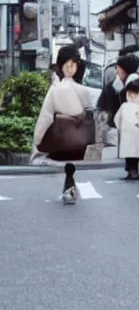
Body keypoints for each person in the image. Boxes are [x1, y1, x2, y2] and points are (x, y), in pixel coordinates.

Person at [31, 46, 93, 202]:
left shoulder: (55, 90)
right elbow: (91, 114)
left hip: (61, 138)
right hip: (80, 139)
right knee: (71, 164)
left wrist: (37, 140)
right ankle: (70, 186)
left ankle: (69, 188)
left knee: (64, 162)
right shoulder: (84, 91)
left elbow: (45, 117)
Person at [97, 53, 139, 180]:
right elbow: (104, 102)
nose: (116, 70)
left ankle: (133, 169)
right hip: (122, 119)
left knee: (132, 142)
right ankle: (131, 168)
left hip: (134, 119)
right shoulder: (115, 85)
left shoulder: (137, 84)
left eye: (118, 67)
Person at [113, 75, 139, 181]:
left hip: (126, 135)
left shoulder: (124, 106)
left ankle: (131, 171)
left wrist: (121, 129)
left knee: (129, 156)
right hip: (138, 134)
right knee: (135, 155)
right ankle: (134, 171)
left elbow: (116, 119)